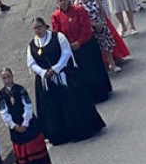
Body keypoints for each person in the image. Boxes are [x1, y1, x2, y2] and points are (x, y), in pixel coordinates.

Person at [26, 17, 105, 145]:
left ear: (45, 26)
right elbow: (31, 62)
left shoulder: (58, 37)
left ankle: (80, 130)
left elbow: (66, 53)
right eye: (35, 28)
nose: (37, 30)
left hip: (64, 75)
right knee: (52, 108)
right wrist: (43, 72)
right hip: (46, 79)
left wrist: (55, 69)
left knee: (73, 102)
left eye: (39, 27)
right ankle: (60, 135)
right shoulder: (32, 45)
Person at [51, 0, 112, 103]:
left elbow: (86, 27)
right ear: (57, 3)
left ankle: (102, 93)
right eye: (60, 1)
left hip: (86, 45)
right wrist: (69, 44)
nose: (63, 2)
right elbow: (57, 33)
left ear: (68, 0)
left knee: (93, 69)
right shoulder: (56, 16)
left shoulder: (79, 10)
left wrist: (79, 41)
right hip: (71, 50)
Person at [0, 67, 52, 164]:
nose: (7, 80)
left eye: (8, 77)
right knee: (22, 146)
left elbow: (27, 105)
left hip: (27, 121)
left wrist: (25, 122)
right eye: (4, 78)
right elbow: (3, 112)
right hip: (15, 123)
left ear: (12, 76)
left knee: (33, 143)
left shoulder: (20, 89)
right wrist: (13, 125)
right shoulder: (1, 94)